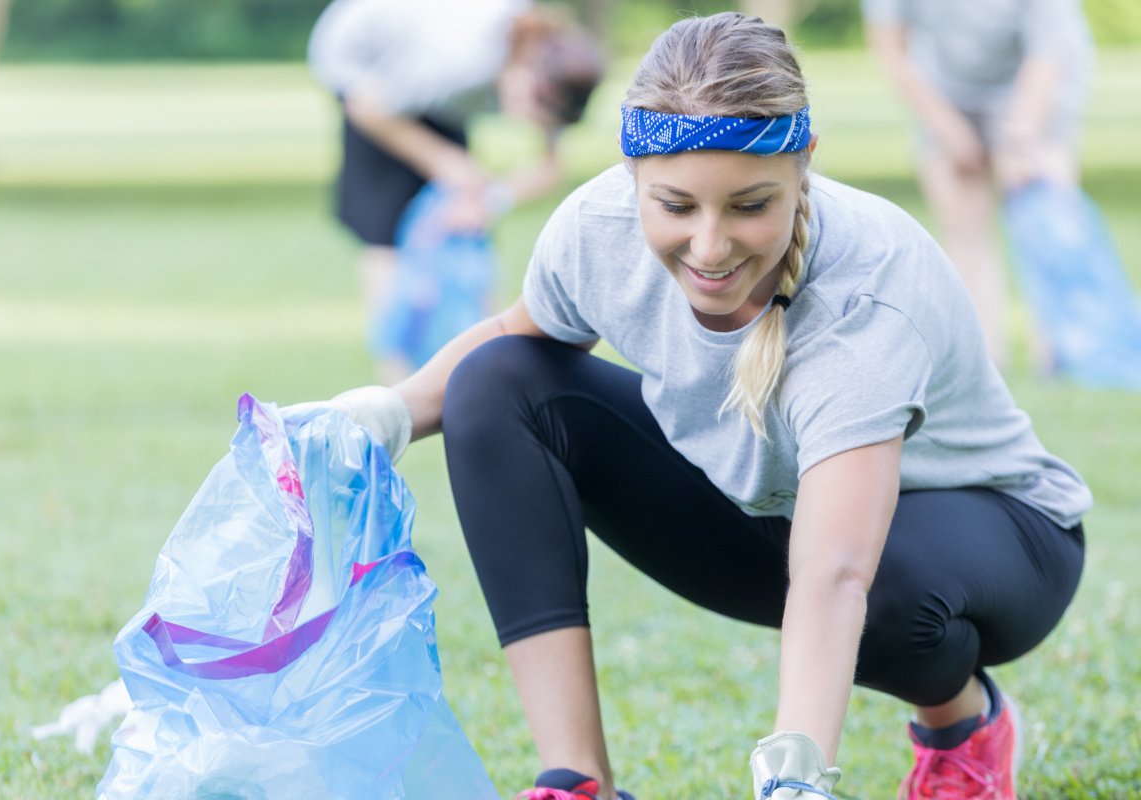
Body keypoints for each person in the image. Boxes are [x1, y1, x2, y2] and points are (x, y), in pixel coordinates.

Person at [290, 13, 1090, 799]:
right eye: (676, 207)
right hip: (770, 514)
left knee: (880, 594)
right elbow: (512, 338)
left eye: (749, 206)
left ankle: (962, 724)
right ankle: (576, 781)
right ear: (632, 174)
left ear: (804, 161)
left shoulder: (865, 294)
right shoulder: (597, 227)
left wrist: (793, 779)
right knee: (497, 381)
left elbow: (835, 570)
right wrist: (377, 419)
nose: (710, 248)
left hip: (994, 537)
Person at [307, 0, 603, 384]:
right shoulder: (462, 63)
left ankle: (492, 370)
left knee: (464, 226)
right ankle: (397, 388)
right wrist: (446, 162)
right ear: (528, 75)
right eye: (533, 111)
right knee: (386, 229)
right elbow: (366, 108)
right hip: (363, 64)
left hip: (428, 83)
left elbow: (550, 169)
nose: (531, 123)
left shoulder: (554, 63)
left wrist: (486, 198)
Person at [862, 0, 1095, 369]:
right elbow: (892, 50)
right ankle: (984, 359)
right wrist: (948, 129)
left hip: (1036, 81)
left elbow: (1050, 50)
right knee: (964, 227)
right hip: (945, 89)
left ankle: (1060, 355)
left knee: (1046, 221)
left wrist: (1022, 136)